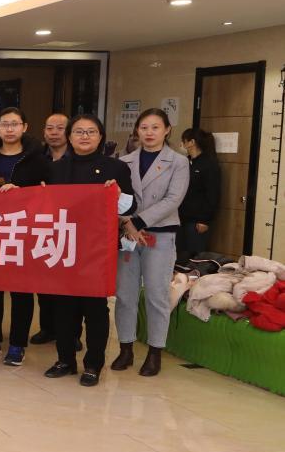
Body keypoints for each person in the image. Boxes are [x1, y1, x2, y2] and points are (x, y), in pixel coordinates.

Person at [45, 115, 135, 386]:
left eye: (91, 132)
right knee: (63, 307)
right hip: (64, 245)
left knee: (94, 308)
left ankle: (93, 364)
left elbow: (131, 206)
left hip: (97, 248)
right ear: (70, 137)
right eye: (79, 131)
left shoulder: (116, 168)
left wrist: (117, 195)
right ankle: (65, 359)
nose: (84, 136)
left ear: (100, 136)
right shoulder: (56, 168)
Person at [0, 107, 49, 366]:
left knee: (21, 291)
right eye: (5, 124)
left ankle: (17, 344)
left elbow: (50, 194)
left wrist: (24, 192)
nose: (10, 129)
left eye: (15, 124)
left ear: (25, 127)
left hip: (23, 233)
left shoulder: (37, 160)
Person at [114, 108, 189, 377]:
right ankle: (125, 348)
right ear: (137, 130)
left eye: (155, 127)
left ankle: (155, 351)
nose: (149, 133)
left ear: (167, 130)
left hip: (160, 233)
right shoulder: (125, 161)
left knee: (157, 295)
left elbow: (173, 199)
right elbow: (116, 197)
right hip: (127, 234)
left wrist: (139, 222)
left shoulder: (178, 162)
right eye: (144, 127)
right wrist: (127, 223)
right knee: (125, 295)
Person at [32, 112, 72, 346]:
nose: (54, 133)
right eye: (49, 128)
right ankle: (47, 328)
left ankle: (71, 333)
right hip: (42, 226)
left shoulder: (77, 158)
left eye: (59, 128)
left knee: (68, 285)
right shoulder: (36, 158)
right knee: (43, 282)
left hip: (70, 226)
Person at [178, 127, 222, 261]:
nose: (181, 144)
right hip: (180, 217)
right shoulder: (184, 162)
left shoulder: (209, 164)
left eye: (183, 141)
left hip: (197, 220)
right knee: (179, 255)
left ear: (191, 142)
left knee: (195, 257)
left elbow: (212, 194)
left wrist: (204, 220)